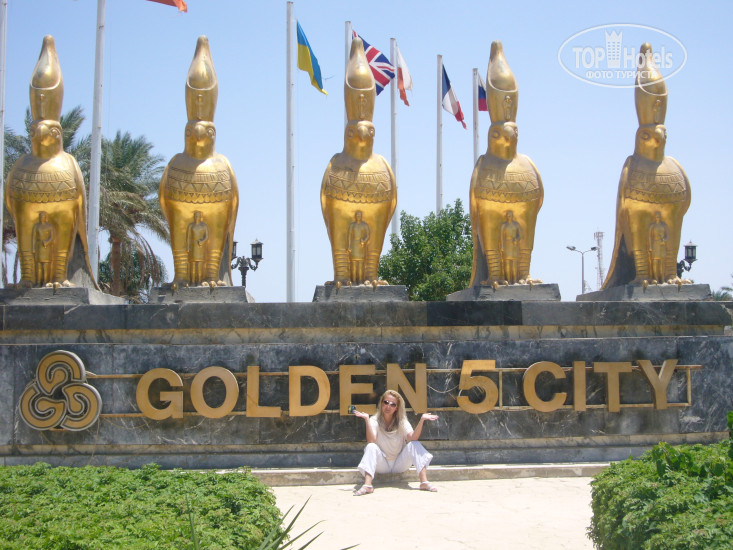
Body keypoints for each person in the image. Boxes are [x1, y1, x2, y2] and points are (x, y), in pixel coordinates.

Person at [352, 389, 439, 495]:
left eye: (393, 404)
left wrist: (422, 420)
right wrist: (367, 420)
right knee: (370, 446)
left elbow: (412, 438)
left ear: (396, 408)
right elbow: (371, 440)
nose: (388, 406)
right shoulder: (374, 420)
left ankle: (424, 482)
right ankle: (368, 485)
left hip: (399, 463)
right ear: (381, 403)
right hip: (382, 464)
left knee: (414, 444)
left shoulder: (402, 421)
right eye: (386, 402)